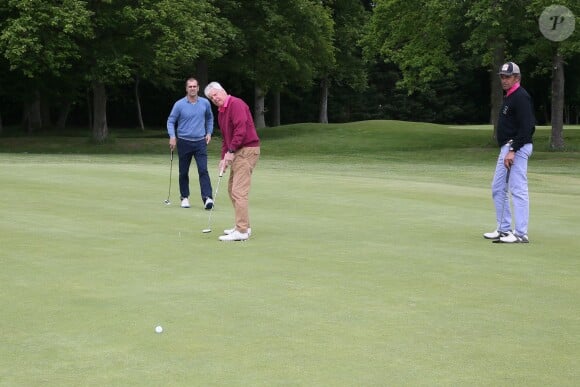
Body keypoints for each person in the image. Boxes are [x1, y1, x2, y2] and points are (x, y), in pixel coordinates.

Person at [483, 62, 535, 243]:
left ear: (517, 78)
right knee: (498, 188)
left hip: (517, 148)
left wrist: (513, 149)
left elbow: (528, 127)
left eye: (508, 77)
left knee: (517, 188)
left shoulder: (521, 97)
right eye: (502, 77)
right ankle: (504, 229)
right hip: (508, 147)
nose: (504, 80)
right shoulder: (510, 97)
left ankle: (521, 233)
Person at [204, 82, 261, 241]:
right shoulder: (221, 112)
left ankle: (242, 232)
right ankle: (244, 226)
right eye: (211, 97)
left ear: (223, 91)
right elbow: (226, 139)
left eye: (216, 94)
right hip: (237, 151)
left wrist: (231, 151)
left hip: (247, 150)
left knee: (238, 191)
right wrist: (224, 158)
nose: (215, 98)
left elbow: (240, 130)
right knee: (232, 189)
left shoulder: (236, 104)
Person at [167, 78, 215, 210]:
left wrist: (209, 132)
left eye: (194, 86)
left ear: (198, 88)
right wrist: (172, 136)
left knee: (203, 170)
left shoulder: (205, 103)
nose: (192, 88)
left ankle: (207, 198)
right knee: (183, 172)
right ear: (186, 89)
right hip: (184, 141)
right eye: (190, 86)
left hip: (200, 142)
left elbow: (210, 118)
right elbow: (171, 121)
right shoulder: (179, 104)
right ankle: (184, 197)